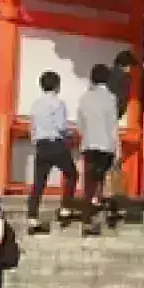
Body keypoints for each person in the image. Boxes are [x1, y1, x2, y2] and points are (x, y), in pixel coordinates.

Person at [25, 70, 77, 235]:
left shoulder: (36, 104)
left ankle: (32, 218)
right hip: (56, 144)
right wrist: (70, 133)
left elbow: (32, 128)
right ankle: (65, 210)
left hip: (41, 145)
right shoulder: (58, 104)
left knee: (38, 183)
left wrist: (36, 140)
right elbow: (62, 127)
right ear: (56, 86)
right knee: (72, 174)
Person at [75, 64, 122, 236]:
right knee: (104, 178)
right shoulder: (111, 98)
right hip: (106, 145)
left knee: (89, 182)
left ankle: (87, 219)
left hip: (89, 144)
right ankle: (105, 213)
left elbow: (80, 124)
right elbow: (113, 125)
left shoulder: (84, 98)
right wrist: (118, 147)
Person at [104, 51, 138, 220]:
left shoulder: (107, 77)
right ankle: (114, 204)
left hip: (98, 123)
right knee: (115, 161)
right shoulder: (124, 79)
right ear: (127, 66)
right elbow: (121, 103)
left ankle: (99, 198)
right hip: (111, 122)